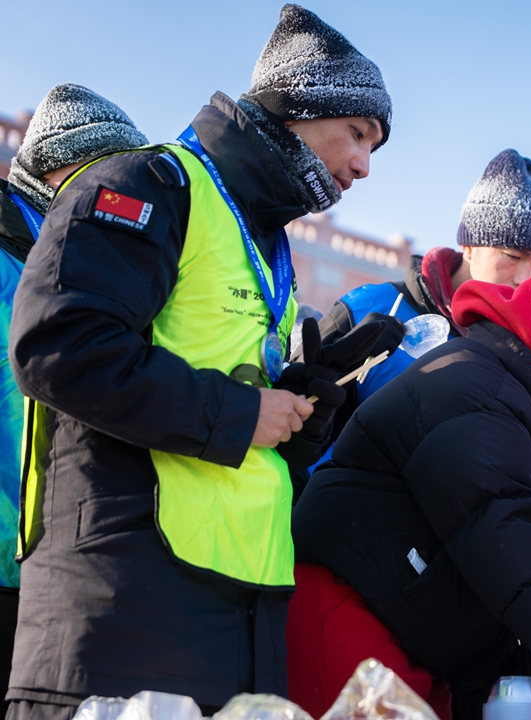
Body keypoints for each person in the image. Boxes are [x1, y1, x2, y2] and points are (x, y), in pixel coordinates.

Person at [6, 5, 392, 717]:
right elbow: (59, 347)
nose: (364, 165)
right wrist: (245, 413)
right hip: (123, 608)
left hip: (232, 601)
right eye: (358, 134)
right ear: (298, 110)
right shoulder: (153, 184)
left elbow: (215, 388)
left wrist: (299, 409)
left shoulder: (261, 239)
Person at [291, 223, 531, 720]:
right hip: (349, 622)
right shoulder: (476, 384)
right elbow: (500, 530)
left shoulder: (519, 394)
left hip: (407, 632)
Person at [0, 82, 148, 720]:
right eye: (106, 172)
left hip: (45, 562)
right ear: (62, 169)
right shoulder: (22, 263)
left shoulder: (76, 266)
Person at [295, 148, 531, 468]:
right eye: (512, 256)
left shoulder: (530, 351)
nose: (524, 278)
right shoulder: (373, 307)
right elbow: (291, 426)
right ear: (470, 246)